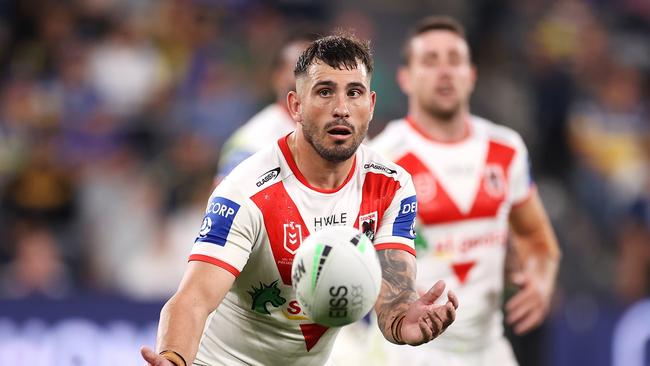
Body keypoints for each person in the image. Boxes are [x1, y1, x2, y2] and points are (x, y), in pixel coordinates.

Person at [140, 33, 458, 366]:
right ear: (295, 106)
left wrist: (404, 321)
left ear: (371, 104)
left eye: (354, 93)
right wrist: (173, 357)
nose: (341, 109)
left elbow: (394, 294)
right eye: (324, 92)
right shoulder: (245, 190)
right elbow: (194, 298)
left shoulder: (391, 186)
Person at [370, 16, 561, 365]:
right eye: (430, 60)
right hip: (410, 354)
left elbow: (536, 238)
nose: (445, 71)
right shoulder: (383, 158)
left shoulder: (507, 150)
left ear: (471, 75)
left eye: (454, 60)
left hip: (490, 349)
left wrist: (539, 280)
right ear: (405, 78)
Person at [213, 34, 314, 186]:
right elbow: (224, 202)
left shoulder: (345, 131)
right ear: (278, 77)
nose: (311, 78)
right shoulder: (252, 142)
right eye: (301, 69)